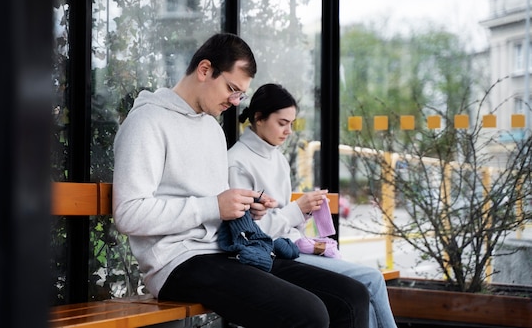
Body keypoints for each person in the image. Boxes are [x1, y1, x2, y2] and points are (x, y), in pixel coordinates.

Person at [112, 33, 369, 328]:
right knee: (308, 314)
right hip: (178, 262)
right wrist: (215, 207)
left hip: (229, 251)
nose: (235, 102)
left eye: (241, 95)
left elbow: (217, 205)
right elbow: (128, 214)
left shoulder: (211, 128)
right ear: (205, 70)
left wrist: (246, 208)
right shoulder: (147, 122)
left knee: (352, 296)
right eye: (232, 89)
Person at [228, 83, 398, 328]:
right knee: (370, 280)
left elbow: (284, 218)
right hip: (271, 256)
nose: (288, 131)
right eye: (282, 122)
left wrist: (305, 211)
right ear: (258, 118)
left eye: (291, 124)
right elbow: (250, 235)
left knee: (366, 286)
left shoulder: (277, 157)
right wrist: (297, 209)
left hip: (290, 247)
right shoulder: (238, 162)